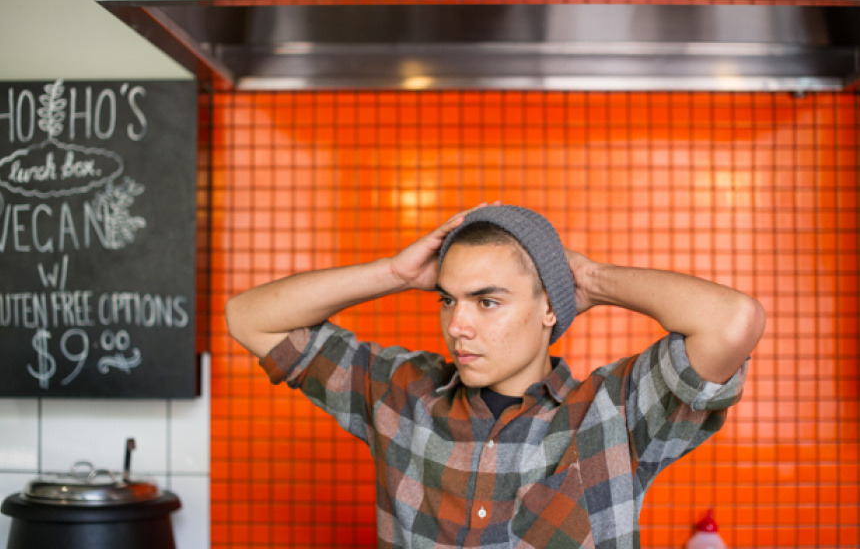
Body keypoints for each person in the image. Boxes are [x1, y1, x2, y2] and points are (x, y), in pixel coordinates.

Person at [226, 203, 765, 549]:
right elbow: (249, 318)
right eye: (447, 300)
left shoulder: (614, 412)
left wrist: (591, 279)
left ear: (549, 307)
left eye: (486, 301)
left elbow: (733, 321)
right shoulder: (400, 392)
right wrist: (393, 272)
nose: (456, 326)